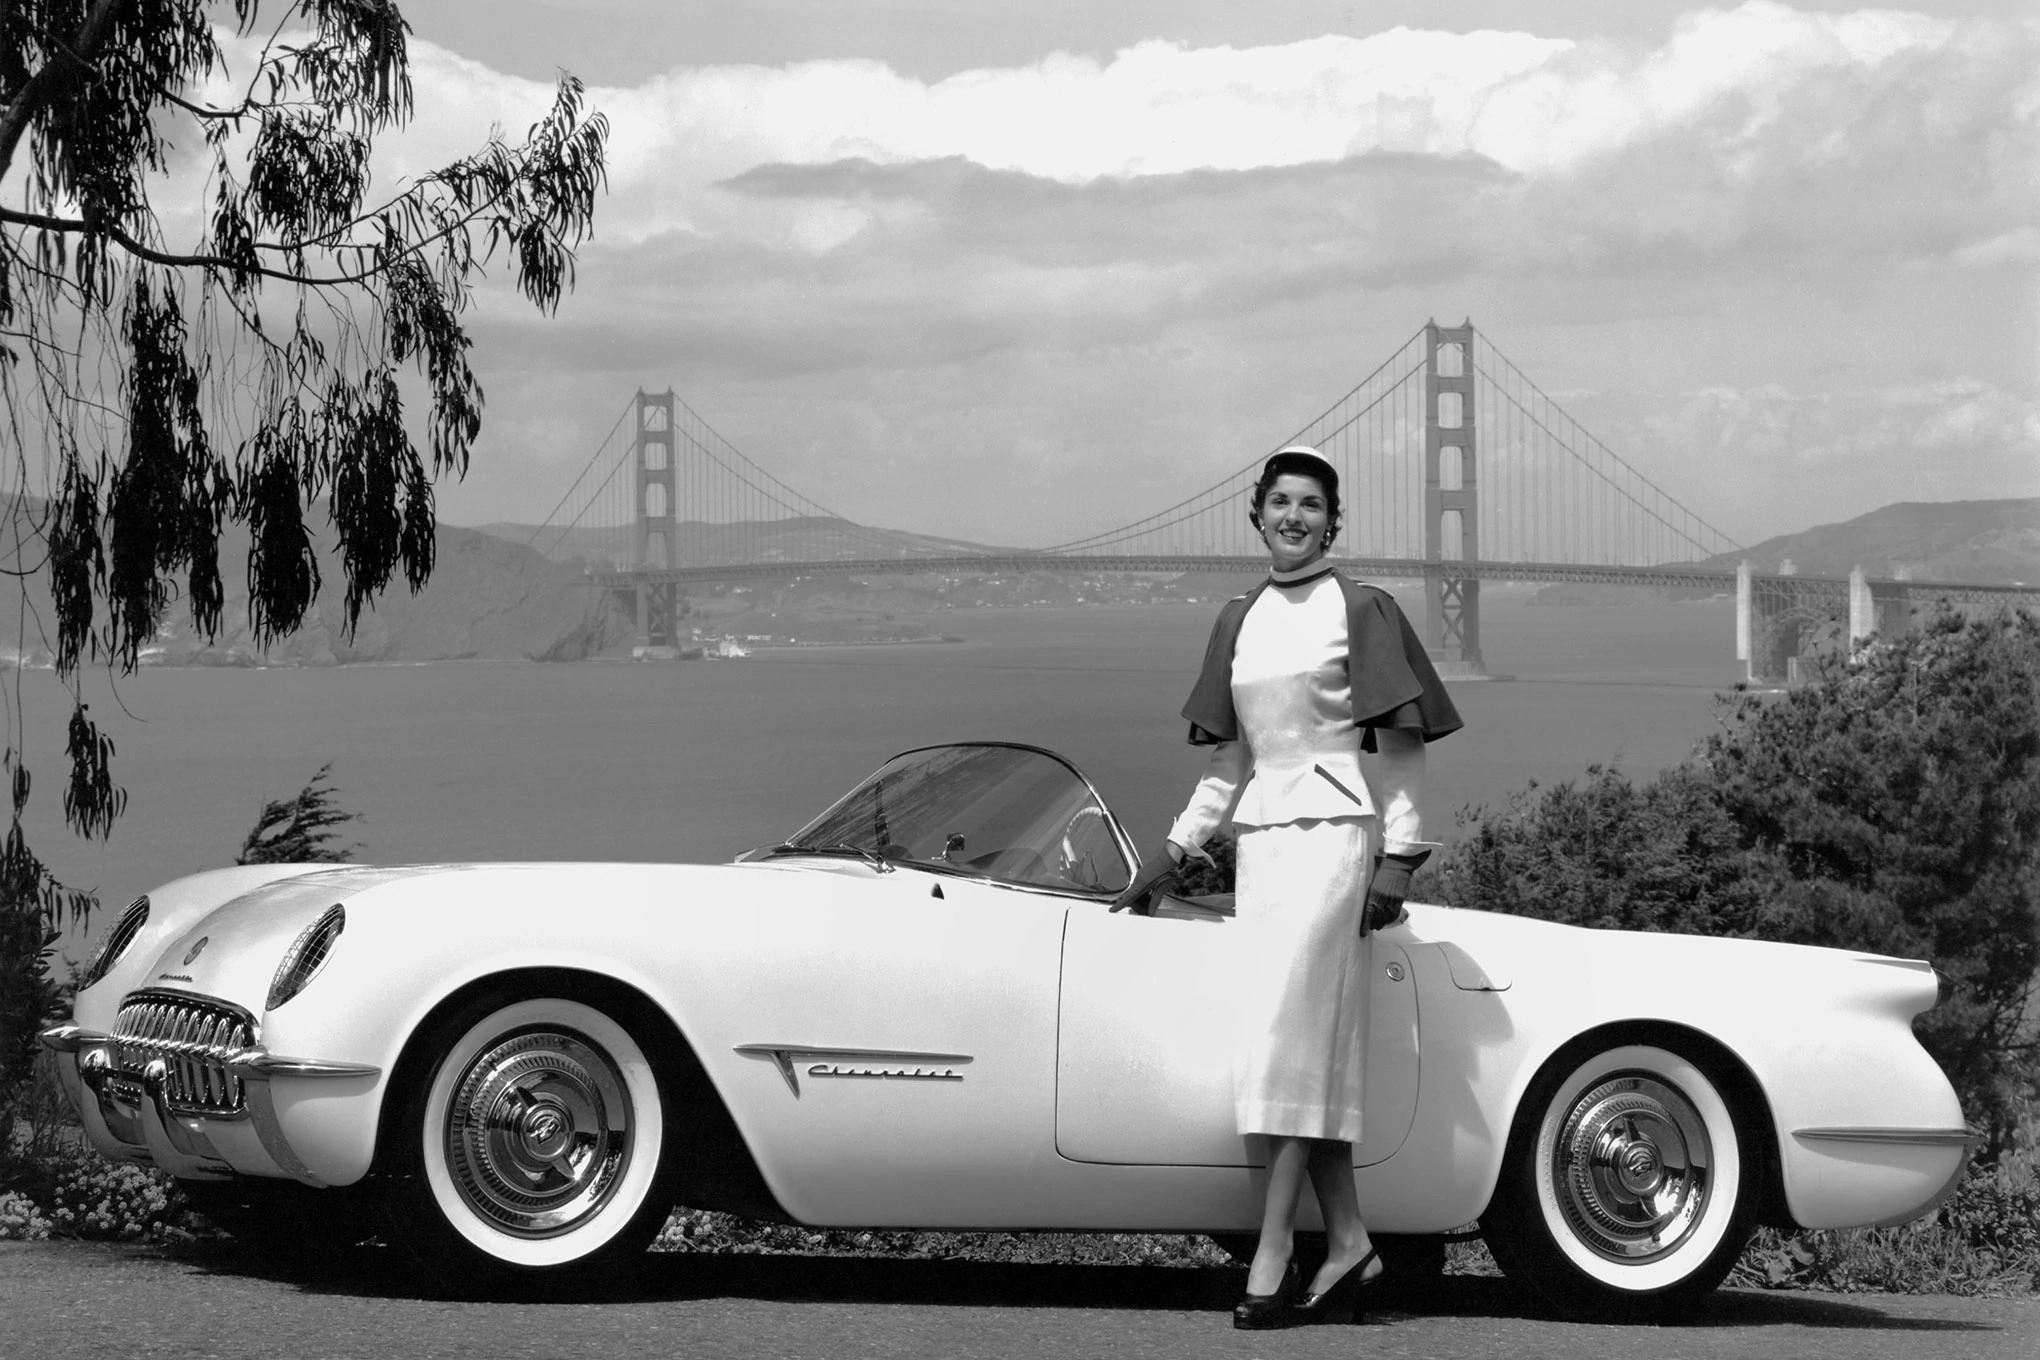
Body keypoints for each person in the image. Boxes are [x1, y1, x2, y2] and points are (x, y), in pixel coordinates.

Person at [1114, 445, 1461, 1329]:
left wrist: (1399, 859)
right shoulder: (1238, 618)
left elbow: (1406, 752)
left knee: (1293, 1045)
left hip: (1337, 844)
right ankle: (1348, 1243)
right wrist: (1174, 851)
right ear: (1257, 514)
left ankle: (1272, 1250)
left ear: (1333, 522)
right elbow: (1235, 763)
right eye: (1280, 503)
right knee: (1282, 1049)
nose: (1295, 517)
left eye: (1312, 504)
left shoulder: (1363, 607)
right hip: (1263, 850)